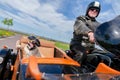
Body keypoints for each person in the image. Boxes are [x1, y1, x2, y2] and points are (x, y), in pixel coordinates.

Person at [70, 1, 101, 65]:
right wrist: (90, 33)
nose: (94, 11)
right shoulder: (81, 19)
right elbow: (79, 26)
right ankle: (72, 71)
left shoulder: (98, 25)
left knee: (106, 55)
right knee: (81, 54)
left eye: (96, 10)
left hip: (91, 48)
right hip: (78, 45)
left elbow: (103, 34)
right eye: (92, 9)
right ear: (88, 10)